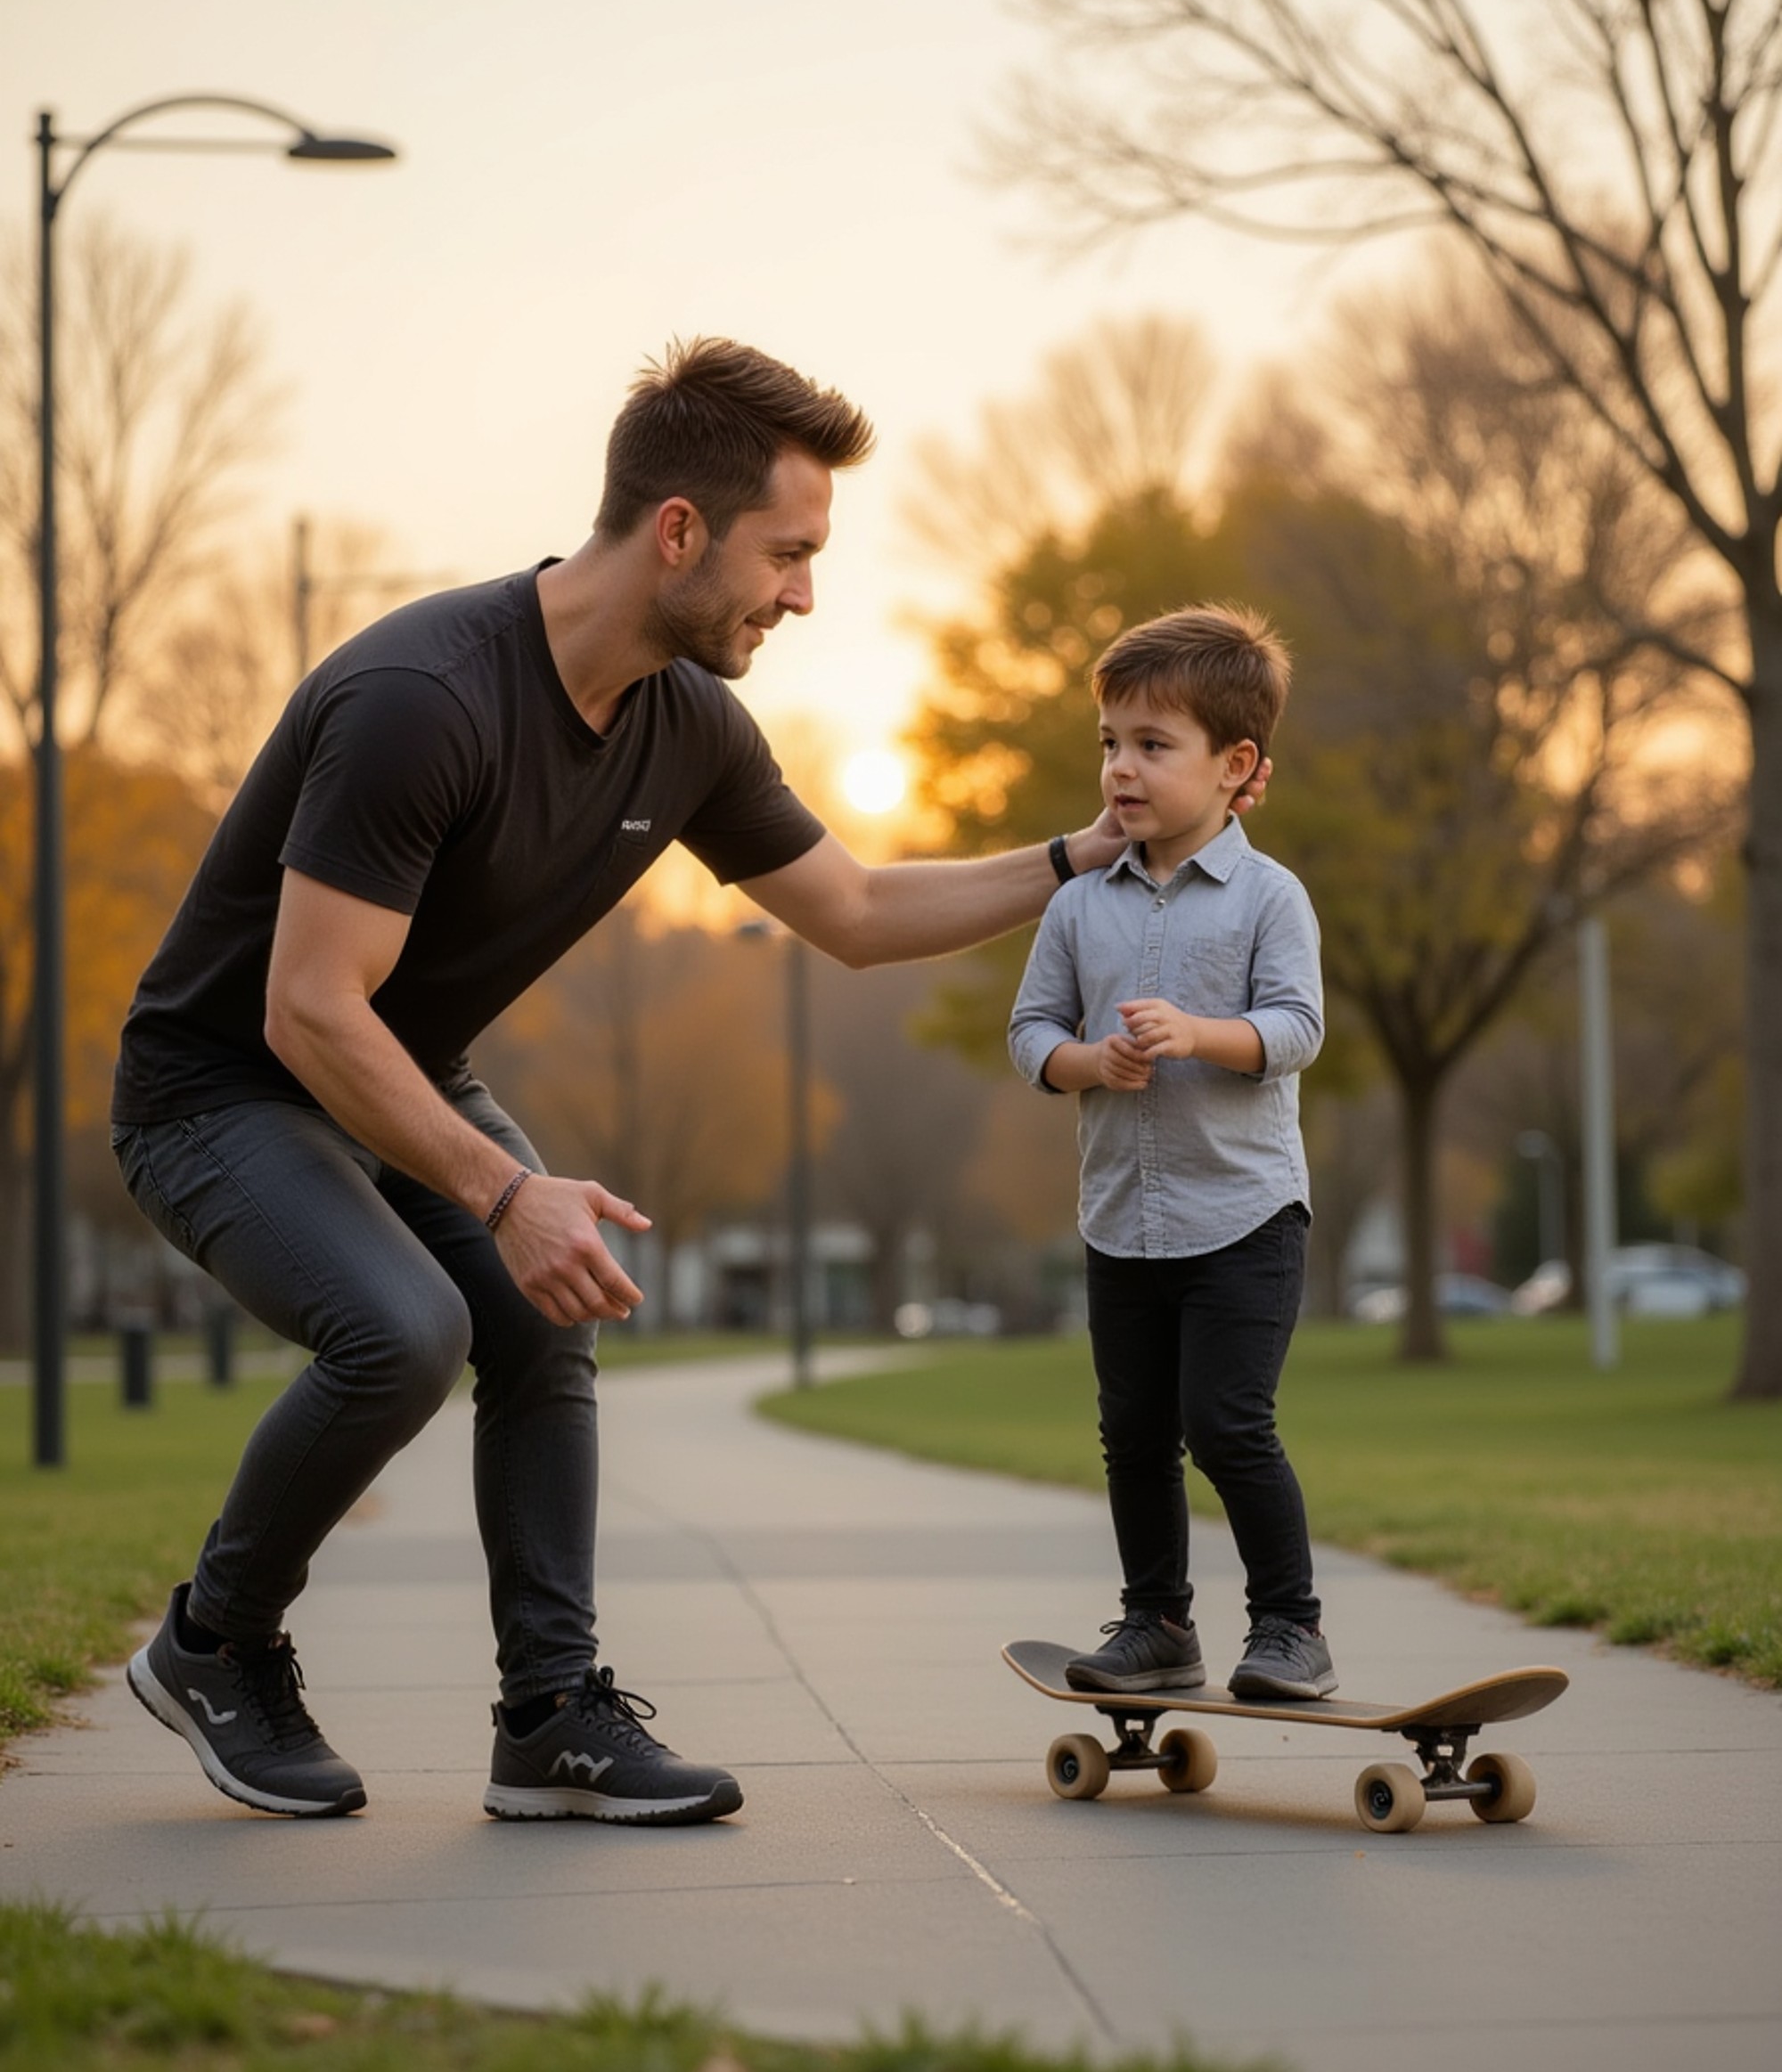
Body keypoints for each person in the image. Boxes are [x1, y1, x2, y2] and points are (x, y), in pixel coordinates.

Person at [116, 339, 1271, 1830]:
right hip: (219, 1088)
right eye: (786, 555)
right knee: (404, 1328)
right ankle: (215, 1643)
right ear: (678, 530)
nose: (802, 595)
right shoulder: (424, 697)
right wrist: (507, 1188)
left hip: (395, 1074)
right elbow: (308, 1008)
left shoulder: (689, 724)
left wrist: (1084, 852)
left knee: (544, 1315)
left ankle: (553, 1719)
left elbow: (855, 915)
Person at [1008, 605, 1334, 1702]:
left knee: (1225, 1424)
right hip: (1121, 1219)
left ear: (1236, 766)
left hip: (1242, 1217)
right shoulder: (1076, 905)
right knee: (1133, 1434)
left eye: (1152, 745)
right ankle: (1156, 1624)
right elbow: (1028, 1035)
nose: (1119, 770)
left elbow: (1296, 1029)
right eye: (1108, 743)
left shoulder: (1267, 897)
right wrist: (1084, 1066)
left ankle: (1289, 1627)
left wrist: (1198, 1036)